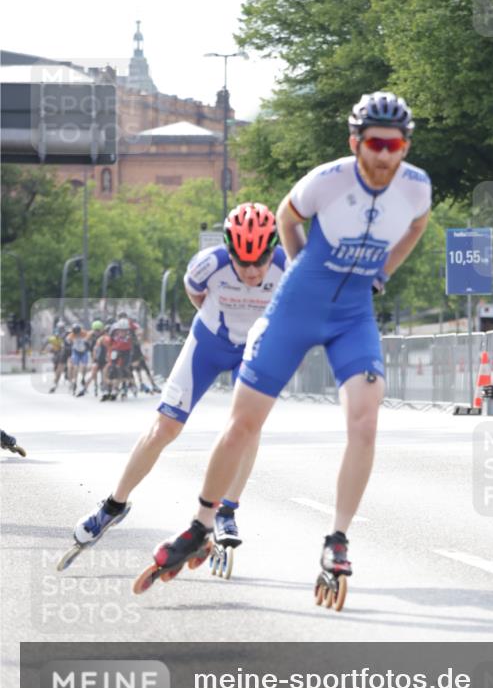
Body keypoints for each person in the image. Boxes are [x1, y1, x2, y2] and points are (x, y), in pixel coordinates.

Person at [136, 92, 431, 598]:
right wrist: (298, 270)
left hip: (353, 315)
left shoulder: (416, 187)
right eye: (376, 143)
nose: (386, 155)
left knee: (365, 421)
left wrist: (383, 273)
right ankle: (201, 523)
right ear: (355, 142)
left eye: (396, 144)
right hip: (295, 308)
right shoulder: (329, 180)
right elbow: (286, 216)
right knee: (243, 426)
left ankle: (336, 539)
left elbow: (418, 227)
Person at [65, 203, 286, 560]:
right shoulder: (207, 265)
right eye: (241, 261)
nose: (251, 270)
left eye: (259, 261)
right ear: (229, 251)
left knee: (247, 427)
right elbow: (195, 294)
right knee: (163, 428)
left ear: (272, 249)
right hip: (209, 343)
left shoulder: (288, 268)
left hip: (255, 348)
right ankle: (113, 505)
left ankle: (227, 510)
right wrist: (219, 320)